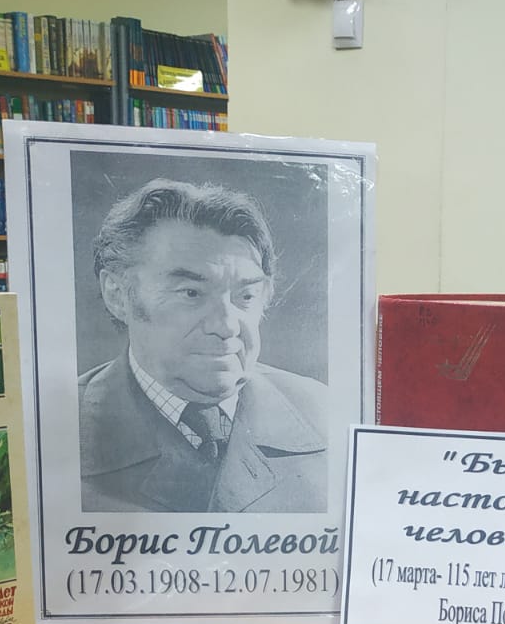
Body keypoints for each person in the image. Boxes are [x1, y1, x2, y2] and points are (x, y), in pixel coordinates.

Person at [77, 178, 329, 514]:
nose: (227, 326)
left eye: (246, 296)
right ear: (117, 295)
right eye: (191, 293)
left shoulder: (324, 412)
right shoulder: (59, 429)